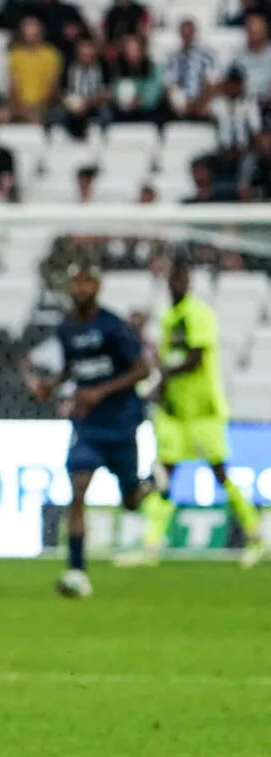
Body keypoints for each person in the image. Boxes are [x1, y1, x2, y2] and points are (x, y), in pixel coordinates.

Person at [122, 253, 265, 567]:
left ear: (188, 282)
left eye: (182, 278)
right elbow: (167, 359)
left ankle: (256, 535)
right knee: (163, 475)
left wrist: (161, 375)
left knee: (221, 474)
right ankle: (150, 546)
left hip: (203, 411)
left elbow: (195, 358)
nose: (177, 283)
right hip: (175, 413)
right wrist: (159, 390)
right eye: (173, 278)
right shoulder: (169, 318)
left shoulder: (198, 314)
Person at [23, 262, 150, 597]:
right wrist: (51, 385)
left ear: (97, 286)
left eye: (86, 283)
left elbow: (141, 370)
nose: (80, 289)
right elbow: (72, 366)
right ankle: (77, 571)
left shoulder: (113, 326)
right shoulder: (66, 328)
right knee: (77, 492)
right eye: (75, 283)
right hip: (88, 425)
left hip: (121, 422)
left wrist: (100, 392)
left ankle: (151, 484)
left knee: (132, 500)